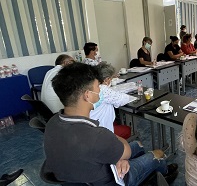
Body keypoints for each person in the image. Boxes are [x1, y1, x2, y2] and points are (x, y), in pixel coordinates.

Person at [44, 62, 178, 185]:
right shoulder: (97, 135)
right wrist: (120, 155)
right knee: (157, 153)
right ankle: (164, 177)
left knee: (138, 145)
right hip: (114, 180)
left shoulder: (52, 123)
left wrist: (118, 156)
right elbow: (126, 150)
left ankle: (148, 172)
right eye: (97, 87)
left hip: (86, 175)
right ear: (87, 95)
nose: (99, 91)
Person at [90, 62, 135, 139]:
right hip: (100, 131)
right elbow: (123, 99)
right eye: (111, 78)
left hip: (90, 126)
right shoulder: (103, 89)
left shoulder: (91, 87)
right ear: (107, 79)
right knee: (127, 129)